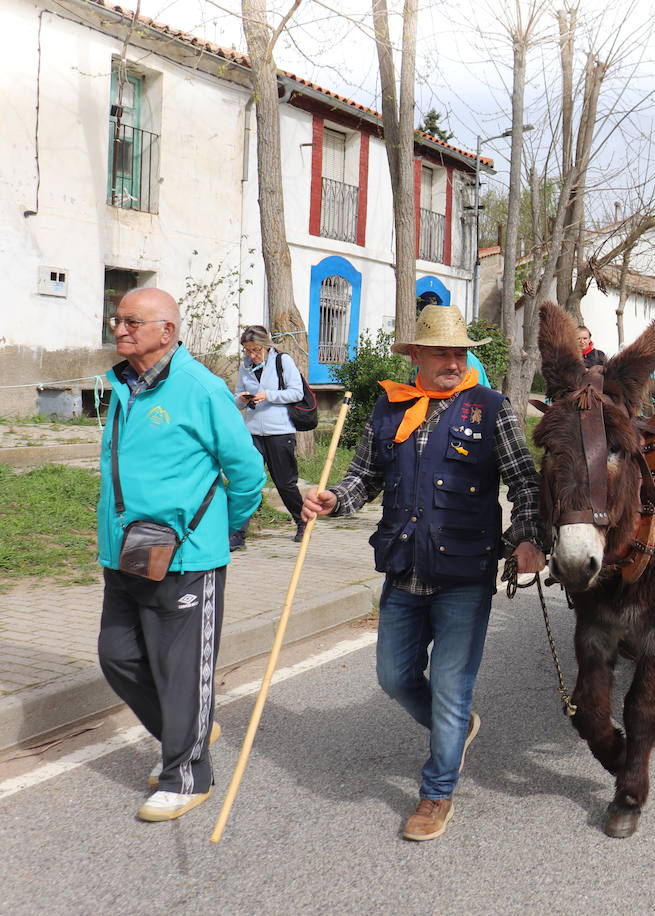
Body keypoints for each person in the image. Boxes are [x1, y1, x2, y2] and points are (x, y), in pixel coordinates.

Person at [301, 304, 544, 842]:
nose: (454, 363)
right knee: (394, 678)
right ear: (416, 356)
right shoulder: (390, 409)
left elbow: (525, 482)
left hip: (463, 574)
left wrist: (528, 535)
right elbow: (363, 477)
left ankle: (436, 792)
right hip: (403, 569)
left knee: (453, 688)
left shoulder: (492, 408)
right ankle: (452, 732)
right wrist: (332, 499)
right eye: (442, 353)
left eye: (460, 353)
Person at [97, 288, 265, 823]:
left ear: (167, 331)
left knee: (181, 670)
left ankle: (188, 774)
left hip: (187, 557)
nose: (120, 329)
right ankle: (188, 728)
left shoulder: (200, 389)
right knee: (117, 656)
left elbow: (246, 472)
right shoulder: (124, 385)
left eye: (132, 321)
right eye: (116, 319)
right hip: (125, 553)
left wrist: (223, 530)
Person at [235, 326, 306, 546]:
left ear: (266, 345)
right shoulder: (245, 366)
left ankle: (302, 522)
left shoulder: (282, 361)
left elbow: (297, 392)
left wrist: (269, 395)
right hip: (253, 432)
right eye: (247, 351)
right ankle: (237, 533)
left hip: (280, 431)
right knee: (248, 481)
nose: (252, 355)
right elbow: (236, 397)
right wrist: (243, 399)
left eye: (256, 350)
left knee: (285, 483)